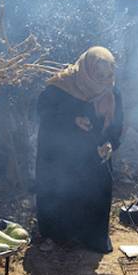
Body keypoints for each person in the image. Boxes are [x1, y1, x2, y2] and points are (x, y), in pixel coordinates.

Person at [34, 46, 123, 254]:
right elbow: (42, 111)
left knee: (94, 191)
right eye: (98, 74)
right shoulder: (61, 85)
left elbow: (117, 124)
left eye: (107, 74)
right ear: (87, 68)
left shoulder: (111, 90)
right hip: (59, 155)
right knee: (58, 191)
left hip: (95, 155)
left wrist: (110, 144)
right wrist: (72, 120)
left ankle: (91, 237)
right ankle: (55, 236)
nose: (102, 79)